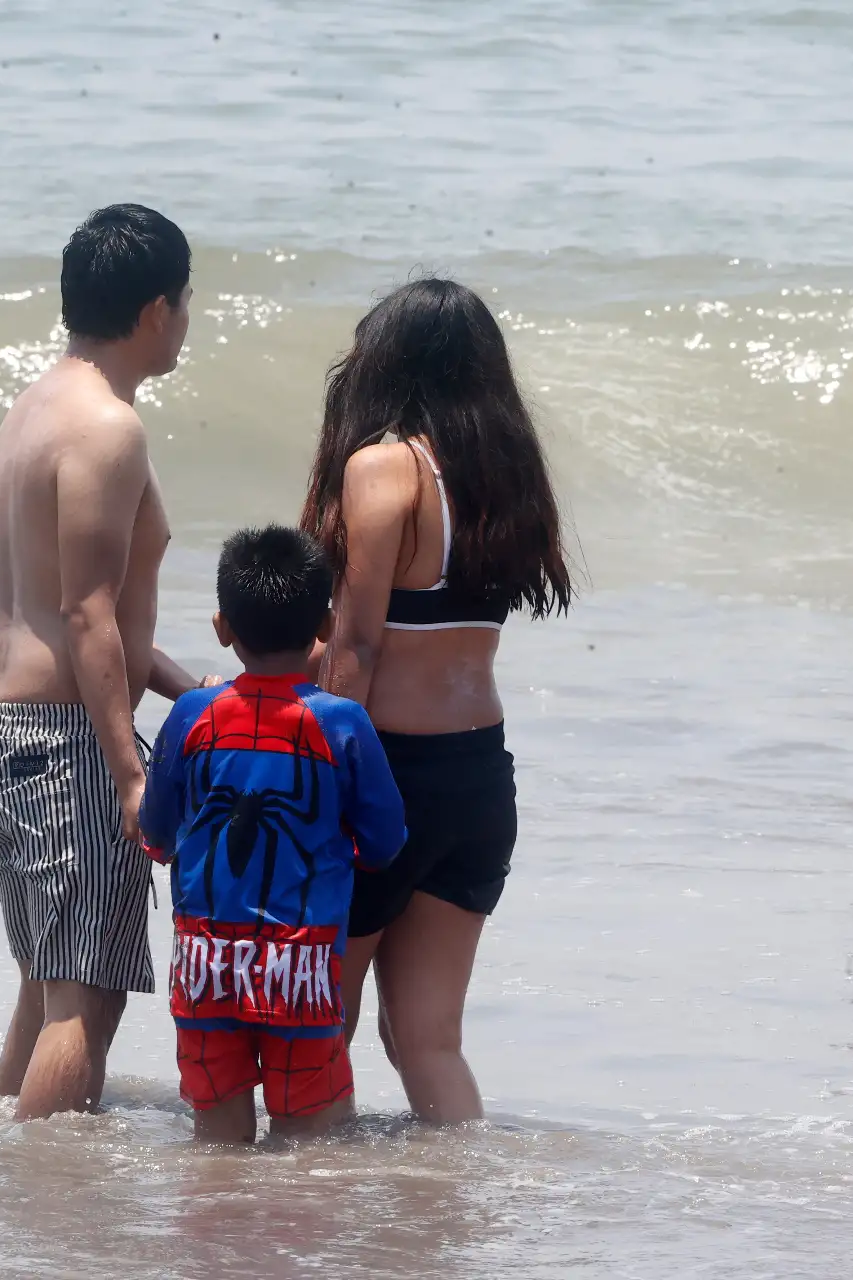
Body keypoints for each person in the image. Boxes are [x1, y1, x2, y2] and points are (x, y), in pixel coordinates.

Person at [0, 203, 210, 1120]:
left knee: (47, 979)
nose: (187, 320)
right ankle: (55, 1215)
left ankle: (11, 1181)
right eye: (186, 302)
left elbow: (72, 613)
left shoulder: (33, 409)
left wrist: (194, 693)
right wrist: (131, 770)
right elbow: (87, 614)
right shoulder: (109, 429)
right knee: (87, 998)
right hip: (57, 739)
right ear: (155, 310)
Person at [300, 277, 572, 1123]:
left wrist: (317, 767)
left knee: (321, 1028)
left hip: (387, 774)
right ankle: (451, 1212)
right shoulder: (501, 475)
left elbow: (359, 645)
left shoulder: (383, 469)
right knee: (428, 1038)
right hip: (479, 781)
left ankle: (304, 1216)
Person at [139, 526, 409, 1142]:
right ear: (325, 624)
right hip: (302, 965)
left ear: (221, 627)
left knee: (217, 1141)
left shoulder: (190, 715)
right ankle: (290, 1239)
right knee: (309, 1143)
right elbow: (386, 841)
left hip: (206, 963)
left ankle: (215, 1233)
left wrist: (166, 847)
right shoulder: (341, 722)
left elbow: (157, 832)